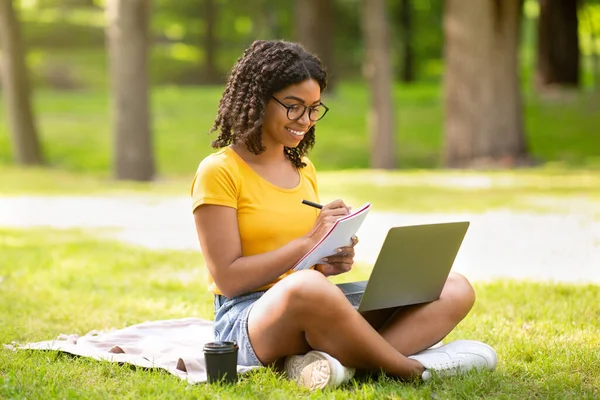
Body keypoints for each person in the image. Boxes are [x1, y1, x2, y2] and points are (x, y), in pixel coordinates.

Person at [191, 40, 497, 390]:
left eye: (313, 109)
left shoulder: (303, 167)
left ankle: (339, 364)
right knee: (307, 287)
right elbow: (229, 278)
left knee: (453, 286)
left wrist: (328, 259)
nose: (305, 120)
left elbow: (304, 266)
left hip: (313, 299)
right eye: (293, 107)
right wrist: (309, 242)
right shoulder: (219, 172)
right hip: (246, 318)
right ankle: (409, 369)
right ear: (259, 99)